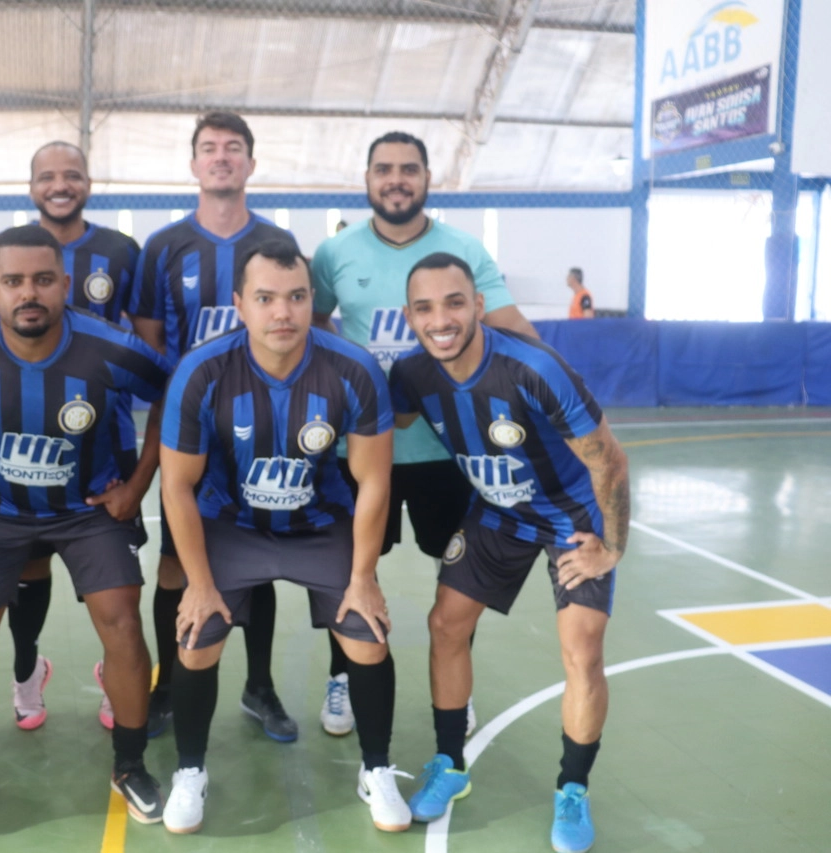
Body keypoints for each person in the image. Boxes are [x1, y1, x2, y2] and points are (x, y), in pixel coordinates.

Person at [0, 225, 171, 834]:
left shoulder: (111, 346)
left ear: (65, 284)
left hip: (87, 511)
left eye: (42, 279)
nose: (28, 293)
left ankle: (130, 763)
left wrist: (135, 487)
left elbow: (174, 393)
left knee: (122, 621)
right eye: (13, 281)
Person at [159, 240, 410, 834]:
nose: (283, 313)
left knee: (368, 634)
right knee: (197, 635)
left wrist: (363, 578)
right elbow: (176, 487)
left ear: (312, 301)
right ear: (240, 305)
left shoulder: (353, 369)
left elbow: (374, 481)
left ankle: (377, 769)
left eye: (297, 297)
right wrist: (197, 584)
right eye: (266, 299)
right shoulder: (201, 371)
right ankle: (189, 772)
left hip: (321, 528)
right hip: (233, 526)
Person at [390, 252, 628, 853]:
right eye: (424, 308)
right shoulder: (413, 376)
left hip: (570, 521)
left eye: (453, 302)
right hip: (497, 514)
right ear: (408, 317)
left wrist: (612, 547)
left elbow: (609, 459)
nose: (439, 318)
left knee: (582, 650)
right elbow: (376, 430)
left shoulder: (534, 368)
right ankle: (449, 764)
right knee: (445, 625)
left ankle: (572, 789)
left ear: (476, 305)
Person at [310, 131, 537, 738]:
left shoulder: (462, 249)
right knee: (350, 570)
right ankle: (344, 676)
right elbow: (310, 324)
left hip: (446, 449)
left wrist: (558, 390)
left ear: (428, 178)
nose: (396, 179)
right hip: (360, 450)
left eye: (409, 169)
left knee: (459, 572)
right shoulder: (335, 254)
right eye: (383, 168)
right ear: (367, 179)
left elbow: (511, 327)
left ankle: (453, 685)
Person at [127, 111, 299, 741]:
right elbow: (149, 343)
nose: (221, 157)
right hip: (193, 437)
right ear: (194, 164)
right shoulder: (164, 247)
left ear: (251, 164)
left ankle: (260, 688)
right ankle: (168, 685)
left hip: (268, 434)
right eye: (209, 148)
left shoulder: (277, 241)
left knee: (262, 562)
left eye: (234, 148)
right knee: (177, 566)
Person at [0, 140, 144, 732]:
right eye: (47, 175)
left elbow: (146, 344)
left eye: (71, 174)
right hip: (21, 446)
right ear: (31, 188)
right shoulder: (7, 252)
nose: (60, 184)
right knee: (30, 568)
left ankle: (114, 677)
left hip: (103, 445)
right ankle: (28, 669)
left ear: (89, 183)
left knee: (115, 595)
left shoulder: (121, 251)